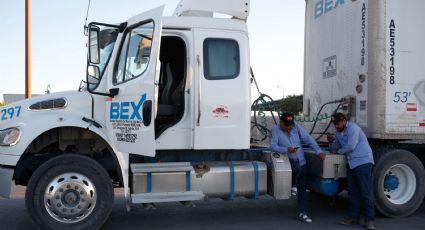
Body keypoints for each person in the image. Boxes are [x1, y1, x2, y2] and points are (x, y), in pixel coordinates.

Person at [270, 112, 326, 223]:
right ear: (280, 122)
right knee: (296, 168)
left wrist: (318, 151)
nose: (289, 128)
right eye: (286, 125)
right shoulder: (275, 130)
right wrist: (286, 149)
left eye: (290, 125)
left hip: (301, 161)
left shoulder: (296, 127)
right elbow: (273, 146)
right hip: (289, 161)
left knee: (302, 189)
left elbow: (308, 139)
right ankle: (293, 185)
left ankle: (302, 213)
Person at [327, 113, 375, 230]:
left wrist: (338, 151)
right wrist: (330, 142)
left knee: (365, 192)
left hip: (363, 162)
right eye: (335, 124)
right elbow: (335, 146)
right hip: (352, 163)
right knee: (353, 192)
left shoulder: (353, 128)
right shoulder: (338, 133)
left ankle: (369, 220)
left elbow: (351, 146)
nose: (336, 126)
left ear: (344, 121)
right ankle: (353, 218)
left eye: (338, 124)